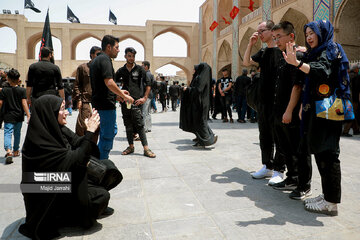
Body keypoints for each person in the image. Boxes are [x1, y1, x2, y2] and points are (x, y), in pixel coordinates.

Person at [19, 95, 121, 239]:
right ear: (50, 113)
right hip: (47, 191)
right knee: (101, 196)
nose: (67, 111)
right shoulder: (38, 143)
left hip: (61, 181)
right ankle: (69, 216)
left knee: (108, 168)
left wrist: (88, 131)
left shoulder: (57, 128)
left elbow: (79, 144)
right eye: (62, 109)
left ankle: (81, 209)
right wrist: (90, 133)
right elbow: (76, 160)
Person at [283, 20, 350, 216]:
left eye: (313, 32)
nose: (310, 37)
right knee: (321, 153)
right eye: (307, 33)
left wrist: (297, 63)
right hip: (318, 110)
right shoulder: (318, 51)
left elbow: (322, 70)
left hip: (329, 112)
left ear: (323, 33)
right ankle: (327, 195)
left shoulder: (331, 48)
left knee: (328, 155)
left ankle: (331, 203)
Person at [269, 21, 312, 196]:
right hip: (281, 111)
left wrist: (288, 111)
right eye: (274, 37)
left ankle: (304, 185)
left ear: (291, 36)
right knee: (286, 147)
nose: (276, 40)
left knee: (299, 149)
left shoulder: (298, 57)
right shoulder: (283, 57)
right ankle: (292, 178)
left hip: (293, 112)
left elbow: (297, 87)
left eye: (279, 36)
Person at [243, 20, 284, 185]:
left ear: (271, 31)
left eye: (261, 31)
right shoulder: (263, 51)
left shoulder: (282, 50)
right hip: (264, 101)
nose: (258, 34)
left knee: (279, 136)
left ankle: (279, 170)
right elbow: (246, 62)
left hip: (279, 100)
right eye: (257, 31)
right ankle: (267, 166)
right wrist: (249, 44)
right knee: (265, 135)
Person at [90, 35, 133, 160]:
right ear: (109, 47)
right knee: (107, 135)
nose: (118, 50)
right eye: (117, 47)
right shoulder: (105, 60)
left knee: (109, 131)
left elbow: (101, 86)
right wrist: (123, 95)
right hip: (105, 106)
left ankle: (98, 159)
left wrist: (116, 96)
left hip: (101, 104)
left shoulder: (97, 60)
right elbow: (109, 82)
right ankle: (102, 163)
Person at [115, 47, 156, 158]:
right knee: (127, 124)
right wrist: (118, 96)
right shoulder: (121, 70)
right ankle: (131, 146)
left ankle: (146, 148)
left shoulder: (140, 69)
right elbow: (112, 83)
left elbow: (148, 84)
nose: (131, 58)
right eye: (129, 56)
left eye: (133, 56)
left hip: (136, 102)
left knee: (139, 125)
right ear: (125, 56)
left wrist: (144, 98)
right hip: (125, 102)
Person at [180, 63, 218, 147]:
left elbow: (198, 90)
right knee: (200, 122)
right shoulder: (204, 78)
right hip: (201, 103)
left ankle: (207, 140)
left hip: (200, 104)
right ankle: (204, 139)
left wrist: (188, 89)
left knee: (201, 122)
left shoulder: (201, 79)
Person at [0, 68, 30, 164]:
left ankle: (8, 151)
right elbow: (24, 103)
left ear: (8, 79)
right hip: (18, 116)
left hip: (8, 116)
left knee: (7, 133)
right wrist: (28, 115)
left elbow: (1, 103)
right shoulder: (22, 90)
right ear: (18, 79)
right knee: (17, 133)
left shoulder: (4, 90)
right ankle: (16, 150)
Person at [73, 46, 101, 142]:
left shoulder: (101, 68)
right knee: (83, 126)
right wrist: (79, 99)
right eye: (97, 54)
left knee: (96, 127)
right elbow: (77, 85)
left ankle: (92, 151)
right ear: (91, 55)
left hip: (98, 103)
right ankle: (80, 150)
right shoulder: (83, 68)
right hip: (86, 102)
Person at [342, 63, 360, 136]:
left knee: (353, 114)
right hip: (353, 98)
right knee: (351, 114)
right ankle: (345, 131)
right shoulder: (356, 77)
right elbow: (357, 88)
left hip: (347, 97)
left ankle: (356, 130)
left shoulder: (348, 76)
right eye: (358, 69)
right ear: (356, 70)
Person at [141, 60, 154, 132]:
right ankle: (149, 127)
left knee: (144, 112)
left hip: (146, 95)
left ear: (146, 66)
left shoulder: (146, 74)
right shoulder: (150, 74)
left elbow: (146, 85)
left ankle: (145, 128)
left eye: (142, 65)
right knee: (148, 112)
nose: (141, 67)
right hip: (150, 95)